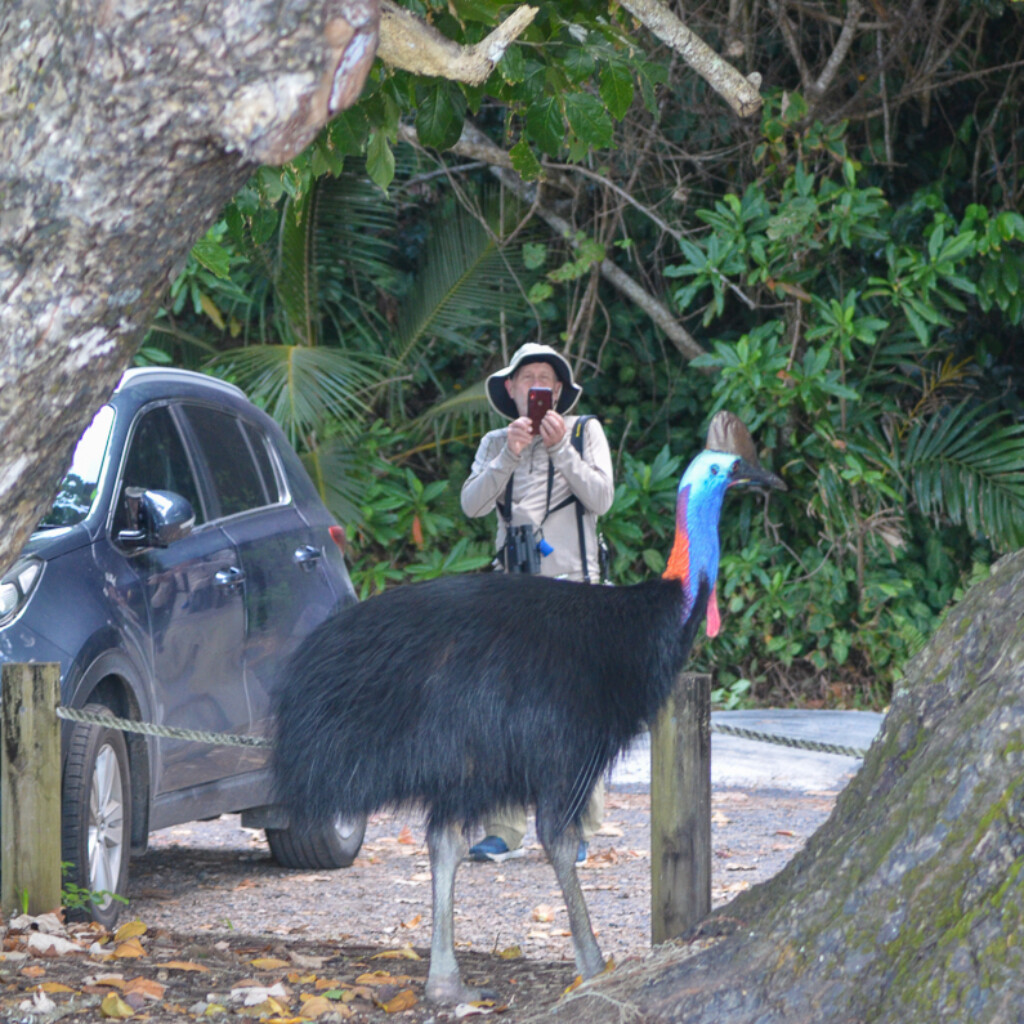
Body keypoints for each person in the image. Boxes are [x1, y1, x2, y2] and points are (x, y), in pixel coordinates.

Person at [460, 343, 615, 864]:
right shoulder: (494, 441)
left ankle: (575, 829)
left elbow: (602, 499)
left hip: (576, 595)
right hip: (512, 597)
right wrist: (510, 453)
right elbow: (472, 506)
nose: (536, 386)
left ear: (561, 390)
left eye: (546, 378)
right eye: (527, 378)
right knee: (501, 712)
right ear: (511, 389)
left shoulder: (586, 430)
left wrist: (562, 449)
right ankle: (503, 829)